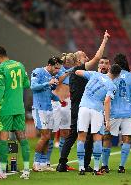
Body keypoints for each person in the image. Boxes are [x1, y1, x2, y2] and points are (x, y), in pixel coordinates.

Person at [56, 30, 110, 172]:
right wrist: (104, 40)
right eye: (84, 56)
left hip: (77, 106)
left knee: (74, 134)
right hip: (83, 107)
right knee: (88, 136)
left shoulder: (74, 72)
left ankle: (63, 163)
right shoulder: (79, 69)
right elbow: (97, 57)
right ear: (78, 60)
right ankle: (84, 164)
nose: (87, 58)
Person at [0, 46, 31, 179]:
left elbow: (0, 89)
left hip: (5, 108)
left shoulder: (0, 68)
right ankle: (26, 170)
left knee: (3, 139)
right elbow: (27, 84)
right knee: (22, 138)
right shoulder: (20, 65)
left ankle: (2, 172)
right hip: (19, 107)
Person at [75, 64, 120, 175]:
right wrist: (107, 120)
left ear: (109, 69)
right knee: (97, 138)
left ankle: (81, 168)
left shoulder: (94, 74)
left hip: (84, 107)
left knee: (81, 137)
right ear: (118, 75)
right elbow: (107, 101)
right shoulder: (112, 86)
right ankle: (96, 169)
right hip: (97, 111)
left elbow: (77, 72)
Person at [101, 54, 131, 173]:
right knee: (126, 138)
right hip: (128, 112)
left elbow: (105, 95)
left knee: (107, 137)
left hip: (113, 112)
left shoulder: (111, 76)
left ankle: (104, 165)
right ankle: (121, 167)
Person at [30, 56, 63, 172]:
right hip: (40, 109)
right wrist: (47, 83)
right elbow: (33, 87)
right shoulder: (38, 72)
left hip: (49, 108)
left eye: (59, 68)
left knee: (49, 138)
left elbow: (48, 93)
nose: (57, 70)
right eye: (56, 68)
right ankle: (35, 163)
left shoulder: (52, 76)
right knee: (45, 137)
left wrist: (58, 99)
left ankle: (43, 163)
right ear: (49, 65)